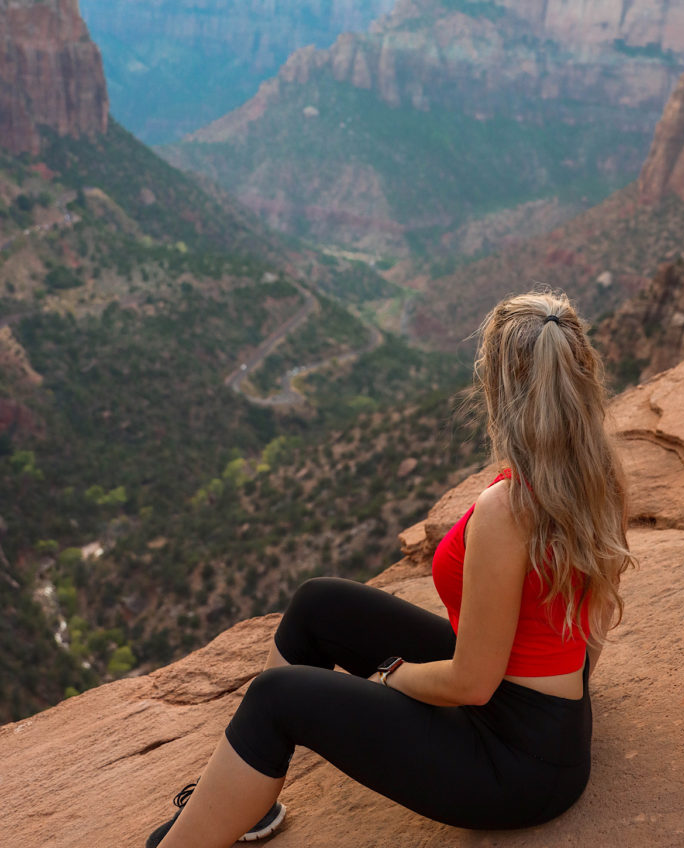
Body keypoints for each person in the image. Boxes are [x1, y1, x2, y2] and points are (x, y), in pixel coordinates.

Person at [146, 289, 634, 847]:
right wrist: (566, 699)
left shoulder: (509, 510)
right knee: (317, 604)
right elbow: (588, 627)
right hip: (539, 726)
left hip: (514, 766)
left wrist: (394, 676)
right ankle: (246, 794)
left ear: (500, 388)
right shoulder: (601, 476)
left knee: (275, 697)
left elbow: (472, 683)